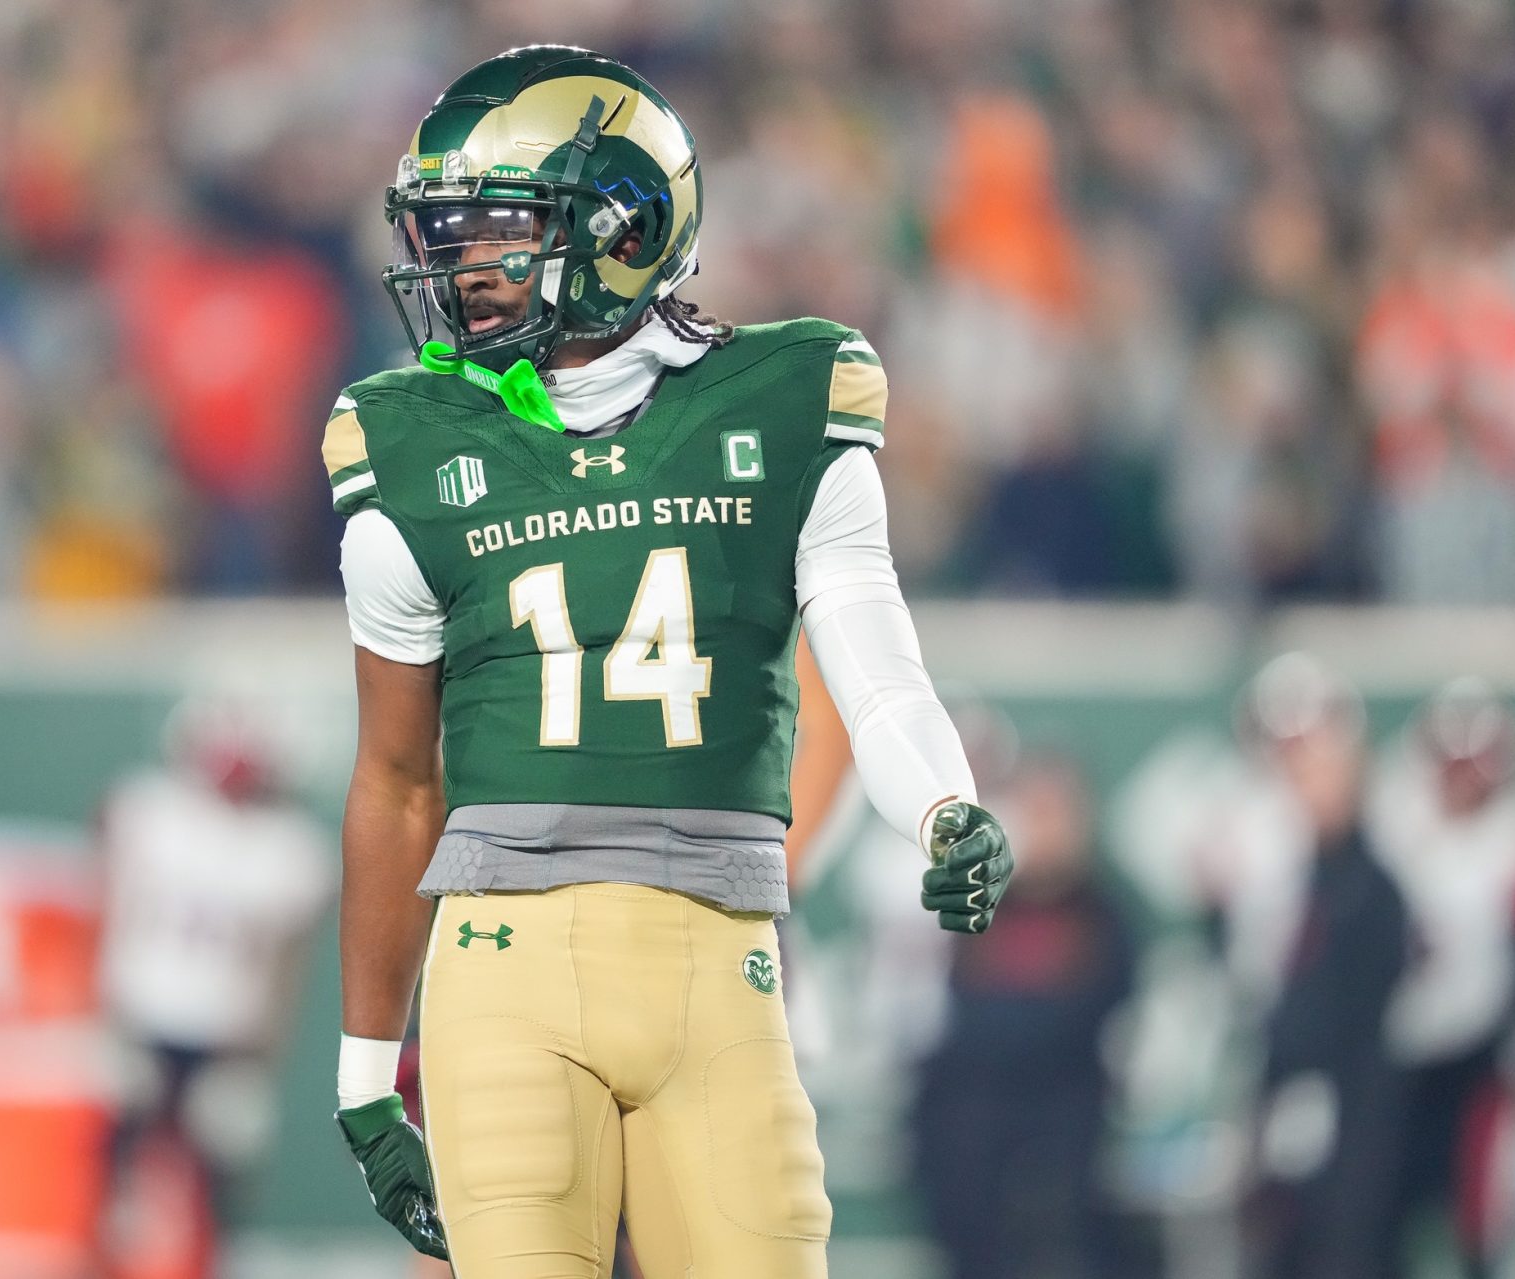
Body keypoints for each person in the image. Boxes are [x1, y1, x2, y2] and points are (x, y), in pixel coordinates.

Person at [322, 45, 1013, 1278]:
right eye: (447, 234)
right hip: (503, 963)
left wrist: (944, 804)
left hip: (725, 957)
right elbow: (394, 779)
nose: (459, 267)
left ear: (619, 227)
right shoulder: (409, 442)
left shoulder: (788, 399)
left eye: (497, 231)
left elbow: (876, 662)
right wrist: (367, 1074)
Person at [95, 699, 334, 1272]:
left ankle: (211, 1262)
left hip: (228, 1033)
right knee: (119, 1176)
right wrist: (104, 1010)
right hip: (144, 1015)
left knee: (219, 1178)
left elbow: (286, 966)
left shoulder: (285, 846)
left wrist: (263, 1058)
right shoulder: (152, 811)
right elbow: (106, 887)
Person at [1368, 679, 1515, 1278]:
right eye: (1451, 762)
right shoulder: (1390, 811)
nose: (1462, 779)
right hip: (1389, 1046)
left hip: (1477, 1048)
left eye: (1475, 765)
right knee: (1380, 1205)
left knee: (1481, 1207)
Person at [912, 752, 1136, 1279]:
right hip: (983, 1102)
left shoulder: (1102, 915)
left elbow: (1096, 1012)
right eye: (1034, 811)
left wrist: (1021, 1025)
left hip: (1066, 1098)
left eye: (1056, 812)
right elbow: (962, 1005)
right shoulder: (982, 906)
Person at [1230, 655, 1409, 1279]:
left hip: (1355, 1102)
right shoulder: (1279, 867)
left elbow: (1353, 1010)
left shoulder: (1371, 885)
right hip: (1284, 1091)